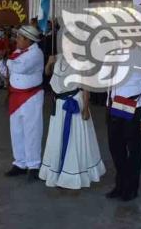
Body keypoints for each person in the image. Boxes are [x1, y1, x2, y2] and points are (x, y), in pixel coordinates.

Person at [39, 54, 105, 189]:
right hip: (58, 104)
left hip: (74, 103)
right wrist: (49, 63)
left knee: (74, 140)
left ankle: (73, 175)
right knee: (57, 138)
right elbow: (47, 73)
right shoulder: (57, 57)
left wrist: (86, 108)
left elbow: (86, 86)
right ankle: (57, 171)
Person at [106, 46, 141, 202]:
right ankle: (120, 184)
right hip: (115, 106)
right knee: (116, 148)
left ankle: (131, 188)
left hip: (134, 107)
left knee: (134, 150)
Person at [0, 25, 44, 180]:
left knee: (32, 131)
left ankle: (33, 165)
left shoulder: (36, 54)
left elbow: (22, 68)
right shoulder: (17, 53)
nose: (16, 40)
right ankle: (20, 162)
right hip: (16, 96)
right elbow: (8, 73)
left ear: (28, 40)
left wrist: (7, 60)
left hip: (31, 97)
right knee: (16, 130)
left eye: (19, 37)